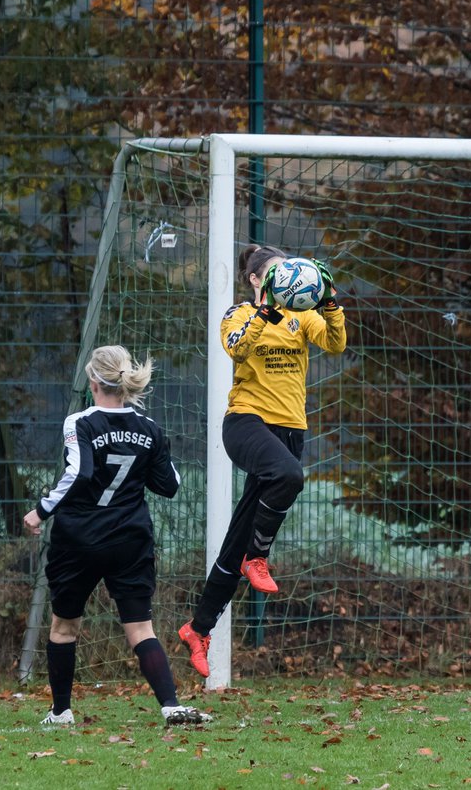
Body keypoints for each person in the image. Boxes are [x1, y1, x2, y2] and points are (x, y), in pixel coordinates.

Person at [178, 245, 347, 677]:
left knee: (234, 541)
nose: (286, 280)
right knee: (289, 475)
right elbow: (237, 348)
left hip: (290, 429)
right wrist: (266, 312)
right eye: (275, 273)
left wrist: (328, 302)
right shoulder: (239, 315)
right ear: (256, 280)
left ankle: (198, 629)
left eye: (289, 273)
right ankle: (259, 555)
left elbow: (336, 342)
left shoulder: (301, 316)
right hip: (247, 423)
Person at [24, 345, 211, 727]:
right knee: (141, 628)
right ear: (125, 382)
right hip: (129, 538)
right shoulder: (150, 428)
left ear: (93, 381)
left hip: (79, 538)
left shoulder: (81, 423)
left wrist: (41, 509)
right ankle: (171, 705)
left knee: (64, 627)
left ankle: (60, 712)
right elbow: (171, 483)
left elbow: (79, 474)